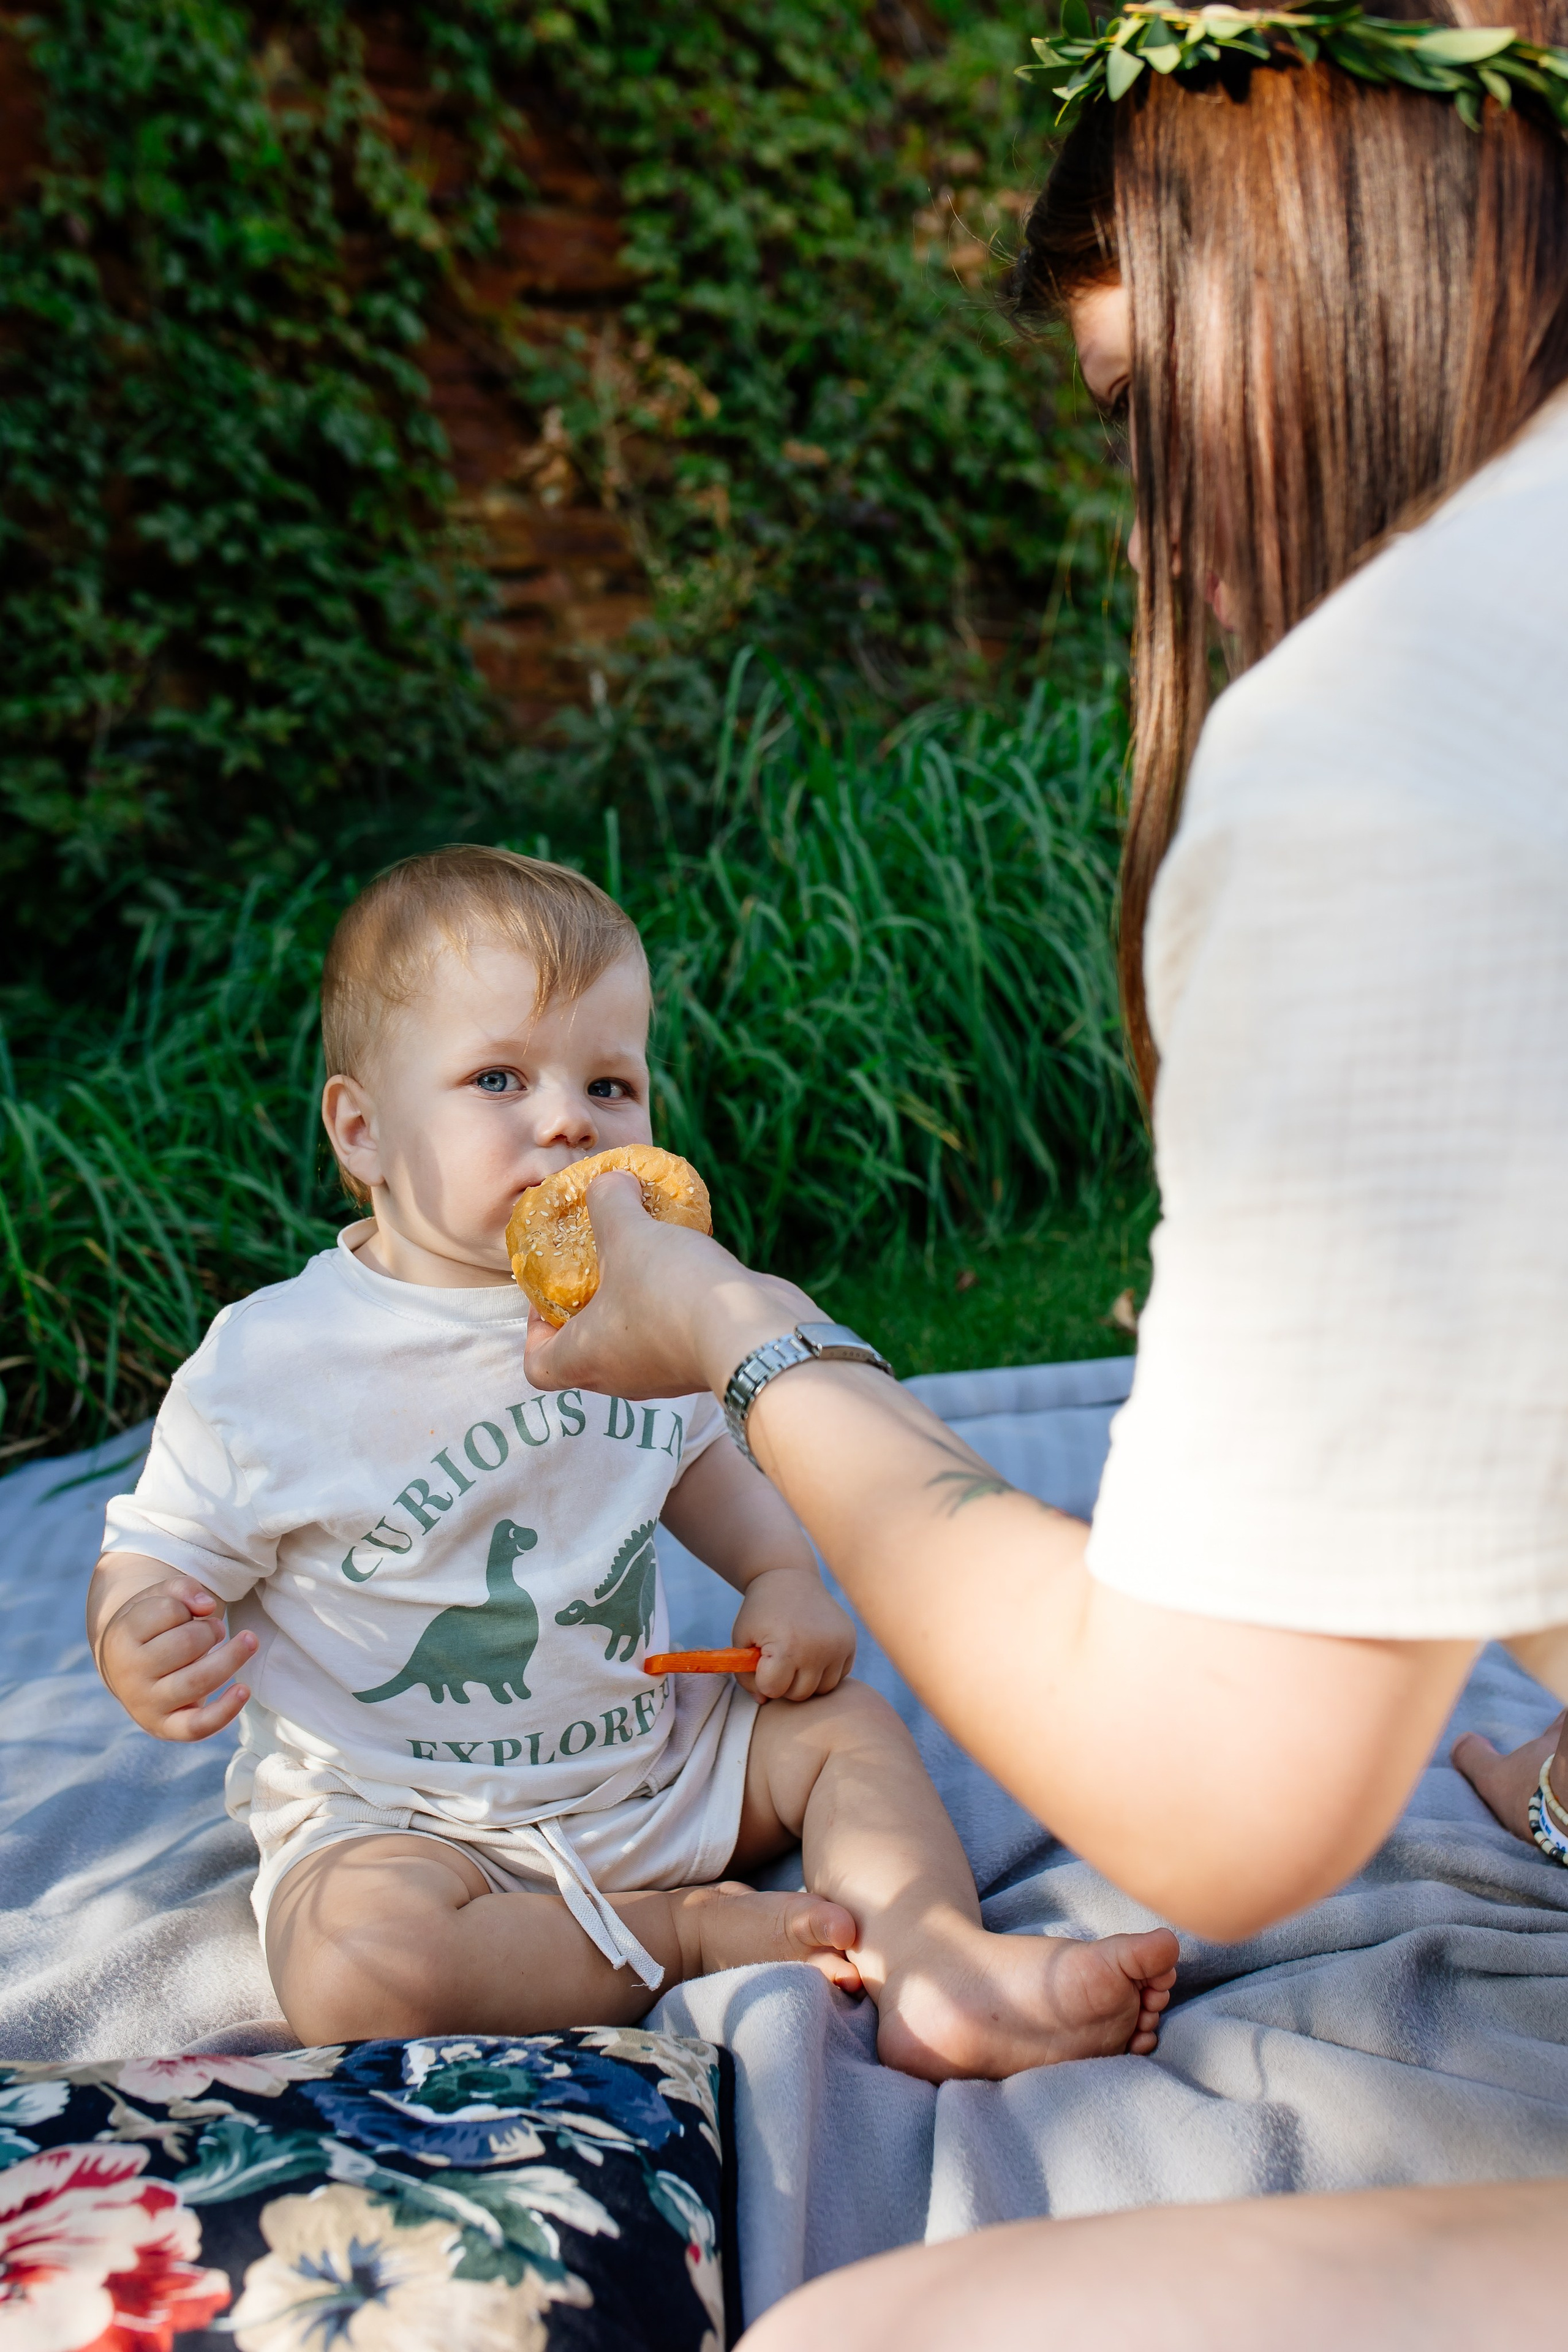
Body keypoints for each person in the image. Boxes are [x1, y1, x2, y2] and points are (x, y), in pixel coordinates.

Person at [515, 1, 1568, 2338]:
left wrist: (747, 1340)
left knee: (864, 2338)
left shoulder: (1390, 754)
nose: (1150, 521)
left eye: (1138, 413)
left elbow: (1220, 1796)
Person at [85, 846, 1176, 2071]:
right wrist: (141, 1632)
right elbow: (158, 1550)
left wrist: (780, 1578)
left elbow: (700, 1458)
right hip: (411, 1819)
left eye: (609, 1084)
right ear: (362, 1130)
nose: (566, 1118)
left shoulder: (635, 1302)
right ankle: (688, 1936)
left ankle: (934, 1966)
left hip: (651, 1765)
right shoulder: (277, 1365)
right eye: (496, 1076)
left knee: (847, 1733)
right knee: (353, 1969)